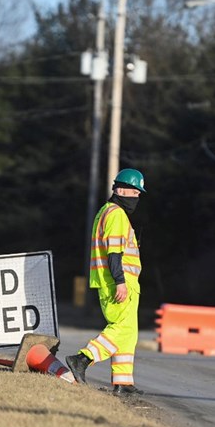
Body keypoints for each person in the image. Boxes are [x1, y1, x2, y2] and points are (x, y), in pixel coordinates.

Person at [66, 168, 146, 396]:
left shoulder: (105, 212)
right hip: (119, 283)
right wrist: (120, 281)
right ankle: (82, 359)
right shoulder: (117, 215)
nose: (137, 198)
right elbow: (114, 254)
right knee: (121, 329)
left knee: (128, 332)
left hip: (116, 282)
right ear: (121, 190)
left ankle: (123, 382)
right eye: (135, 192)